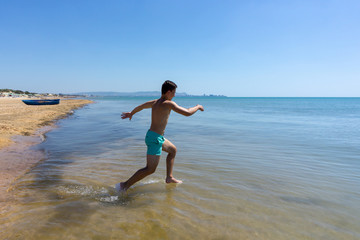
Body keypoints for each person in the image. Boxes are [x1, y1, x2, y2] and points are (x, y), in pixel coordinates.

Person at [115, 80, 204, 192]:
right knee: (150, 169)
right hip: (155, 139)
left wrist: (131, 113)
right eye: (174, 92)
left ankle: (169, 177)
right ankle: (124, 185)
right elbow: (187, 112)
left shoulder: (155, 102)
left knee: (173, 150)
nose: (174, 95)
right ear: (168, 92)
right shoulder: (168, 103)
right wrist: (198, 106)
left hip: (155, 137)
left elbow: (141, 106)